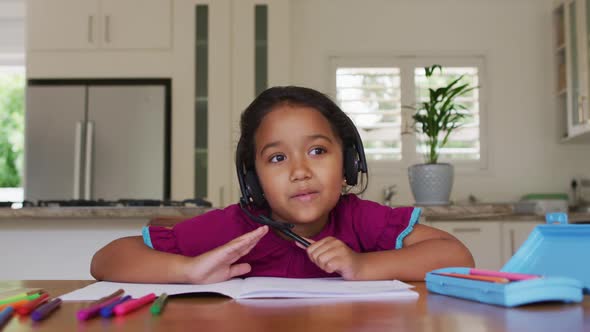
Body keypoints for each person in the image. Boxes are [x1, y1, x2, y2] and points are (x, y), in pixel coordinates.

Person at [91, 86, 474, 284]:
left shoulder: (361, 219)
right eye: (277, 158)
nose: (300, 171)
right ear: (252, 177)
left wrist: (362, 265)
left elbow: (456, 256)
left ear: (349, 164)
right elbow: (106, 259)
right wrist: (188, 270)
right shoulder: (235, 229)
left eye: (318, 151)